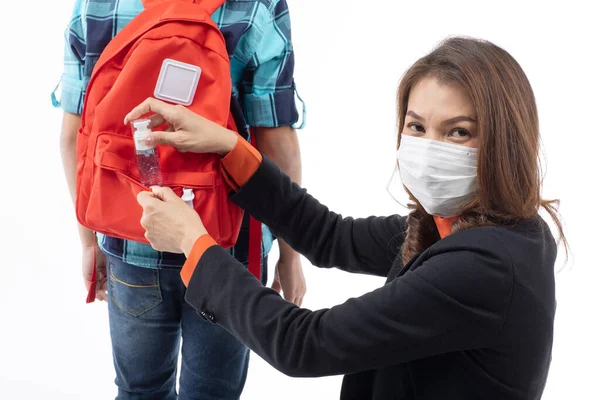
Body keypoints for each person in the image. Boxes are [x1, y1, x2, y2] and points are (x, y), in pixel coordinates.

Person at [131, 37, 566, 400]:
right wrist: (231, 148)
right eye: (416, 127)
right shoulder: (475, 226)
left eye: (458, 132)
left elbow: (303, 343)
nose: (429, 148)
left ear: (504, 142)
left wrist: (194, 243)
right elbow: (331, 236)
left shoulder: (484, 267)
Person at [55, 0, 306, 398]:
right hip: (227, 247)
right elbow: (276, 142)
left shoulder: (96, 5)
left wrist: (90, 241)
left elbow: (73, 135)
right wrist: (291, 255)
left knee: (139, 390)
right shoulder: (257, 6)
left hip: (131, 237)